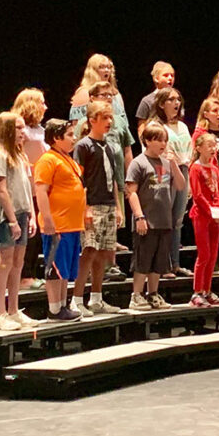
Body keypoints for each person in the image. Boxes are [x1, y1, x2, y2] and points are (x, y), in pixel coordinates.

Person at [70, 100, 123, 317]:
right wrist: (85, 208)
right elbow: (79, 179)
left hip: (108, 204)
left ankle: (97, 298)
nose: (109, 122)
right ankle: (76, 299)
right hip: (92, 205)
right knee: (89, 251)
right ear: (92, 121)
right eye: (104, 118)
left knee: (103, 253)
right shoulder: (83, 146)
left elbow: (114, 180)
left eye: (110, 118)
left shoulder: (108, 146)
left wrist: (118, 207)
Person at [0, 112, 40, 330]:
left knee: (18, 263)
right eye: (19, 128)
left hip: (22, 212)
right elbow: (2, 190)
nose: (23, 132)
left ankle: (14, 310)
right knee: (6, 261)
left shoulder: (20, 156)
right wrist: (12, 220)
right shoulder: (0, 156)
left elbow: (27, 187)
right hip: (7, 216)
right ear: (8, 130)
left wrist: (31, 214)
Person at [126, 123, 185, 311]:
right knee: (143, 260)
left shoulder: (166, 163)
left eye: (165, 140)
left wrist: (174, 163)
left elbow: (181, 185)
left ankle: (153, 294)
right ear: (148, 141)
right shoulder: (138, 162)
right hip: (146, 221)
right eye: (159, 140)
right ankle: (136, 295)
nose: (163, 144)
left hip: (164, 220)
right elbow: (131, 192)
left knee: (158, 262)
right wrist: (139, 217)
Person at [34, 119, 85, 322]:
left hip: (72, 224)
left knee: (65, 269)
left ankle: (63, 306)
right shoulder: (48, 160)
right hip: (58, 225)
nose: (74, 139)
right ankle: (54, 309)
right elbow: (41, 190)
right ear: (56, 138)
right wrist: (47, 220)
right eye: (70, 135)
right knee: (55, 268)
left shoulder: (68, 159)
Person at [148, 87, 193, 278]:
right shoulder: (157, 126)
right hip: (164, 171)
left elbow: (189, 150)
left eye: (178, 99)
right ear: (161, 104)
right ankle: (162, 264)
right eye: (171, 100)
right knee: (165, 219)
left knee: (177, 220)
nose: (176, 103)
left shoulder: (182, 126)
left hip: (182, 170)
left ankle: (175, 263)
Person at [12, 88, 48, 289]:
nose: (45, 106)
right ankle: (23, 276)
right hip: (25, 185)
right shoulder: (21, 129)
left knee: (37, 233)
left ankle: (31, 273)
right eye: (41, 102)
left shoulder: (38, 129)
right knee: (28, 233)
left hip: (39, 186)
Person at [189, 133, 219, 307]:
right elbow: (197, 195)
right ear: (199, 148)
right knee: (203, 254)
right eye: (209, 145)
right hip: (202, 216)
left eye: (214, 146)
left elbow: (218, 193)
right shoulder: (195, 169)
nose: (213, 149)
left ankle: (207, 290)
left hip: (216, 217)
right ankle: (196, 292)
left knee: (213, 255)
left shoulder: (214, 168)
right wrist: (213, 213)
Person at [71, 53, 124, 124]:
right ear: (93, 71)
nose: (106, 70)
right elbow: (77, 126)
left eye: (109, 67)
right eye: (102, 67)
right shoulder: (84, 94)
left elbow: (124, 123)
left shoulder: (116, 94)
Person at [191, 96, 219, 169]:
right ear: (206, 114)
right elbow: (194, 155)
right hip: (209, 173)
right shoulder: (200, 134)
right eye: (215, 111)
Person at [136, 61, 177, 134]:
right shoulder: (147, 101)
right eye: (166, 75)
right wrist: (144, 144)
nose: (170, 78)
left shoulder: (177, 99)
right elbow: (141, 127)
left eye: (172, 75)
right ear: (156, 78)